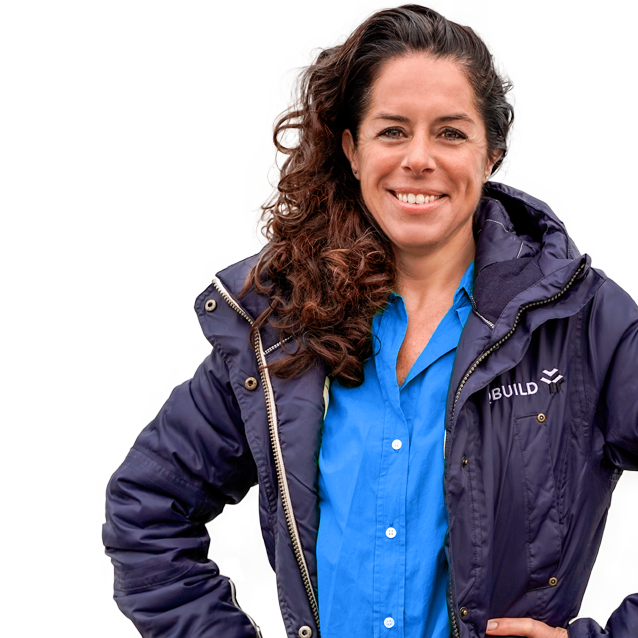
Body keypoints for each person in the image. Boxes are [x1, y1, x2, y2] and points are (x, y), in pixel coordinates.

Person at [102, 5, 638, 638]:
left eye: (450, 133)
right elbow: (147, 507)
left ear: (491, 153)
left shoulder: (584, 323)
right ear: (353, 150)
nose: (419, 158)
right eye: (392, 131)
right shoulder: (283, 325)